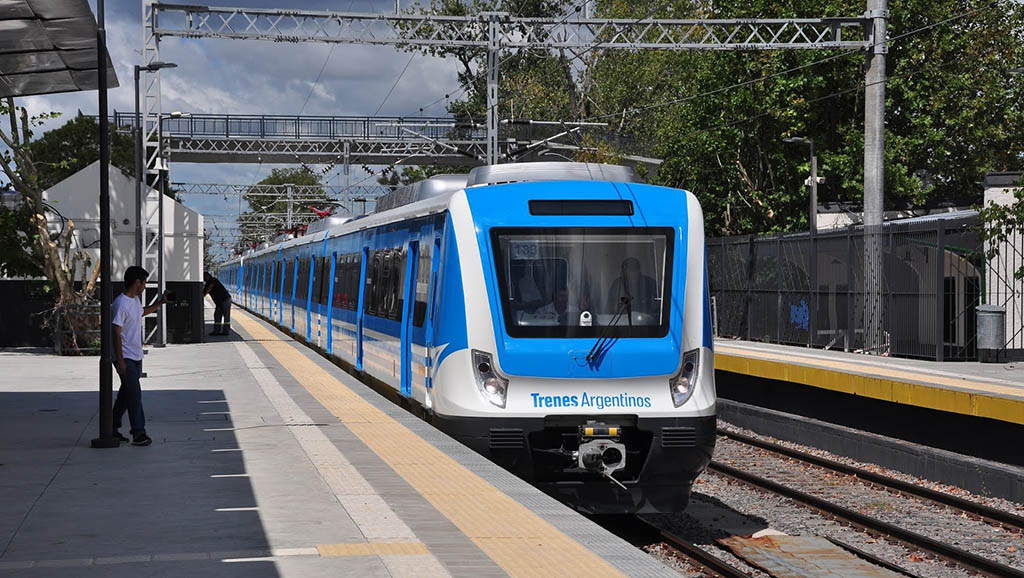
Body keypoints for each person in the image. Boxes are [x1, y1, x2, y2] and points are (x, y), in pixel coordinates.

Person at [112, 266, 169, 446]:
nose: (145, 286)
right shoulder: (120, 304)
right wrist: (120, 360)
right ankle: (139, 433)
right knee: (135, 395)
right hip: (125, 357)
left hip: (136, 356)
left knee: (126, 394)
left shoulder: (135, 301)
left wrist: (160, 303)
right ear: (137, 282)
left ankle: (111, 427)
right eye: (144, 283)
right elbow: (116, 331)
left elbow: (141, 312)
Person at [204, 271, 231, 336]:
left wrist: (204, 294)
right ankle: (216, 331)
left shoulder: (212, 280)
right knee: (217, 315)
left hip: (225, 300)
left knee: (226, 315)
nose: (203, 279)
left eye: (204, 277)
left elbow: (210, 287)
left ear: (207, 276)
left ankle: (226, 331)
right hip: (219, 302)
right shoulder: (208, 282)